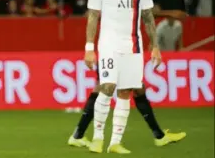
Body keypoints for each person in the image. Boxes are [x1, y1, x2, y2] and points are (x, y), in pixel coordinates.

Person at [83, 0, 163, 154]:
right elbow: (93, 16)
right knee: (107, 86)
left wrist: (155, 45)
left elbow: (148, 16)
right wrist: (89, 47)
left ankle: (115, 142)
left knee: (126, 91)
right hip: (109, 43)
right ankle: (98, 137)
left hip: (133, 45)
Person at [68, 9, 187, 148]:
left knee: (133, 88)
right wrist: (169, 14)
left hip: (121, 49)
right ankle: (158, 136)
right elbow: (141, 12)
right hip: (114, 50)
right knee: (110, 88)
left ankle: (78, 134)